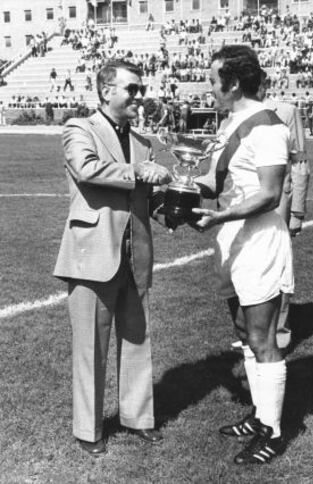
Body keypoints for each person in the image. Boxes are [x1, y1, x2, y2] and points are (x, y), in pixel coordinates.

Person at [54, 60, 173, 456]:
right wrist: (139, 171)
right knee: (91, 346)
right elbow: (87, 170)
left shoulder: (143, 141)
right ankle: (88, 430)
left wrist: (176, 209)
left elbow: (146, 194)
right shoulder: (78, 128)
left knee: (138, 338)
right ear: (107, 91)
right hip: (92, 254)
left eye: (141, 89)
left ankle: (138, 418)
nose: (139, 96)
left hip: (135, 254)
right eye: (132, 89)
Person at [192, 45, 294, 465]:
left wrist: (221, 217)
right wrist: (175, 189)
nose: (209, 87)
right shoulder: (231, 122)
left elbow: (270, 194)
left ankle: (273, 431)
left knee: (262, 338)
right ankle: (259, 414)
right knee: (242, 331)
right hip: (231, 238)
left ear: (233, 83)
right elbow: (219, 183)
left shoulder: (268, 127)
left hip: (259, 242)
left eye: (213, 81)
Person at [232, 69, 310, 351]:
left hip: (278, 203)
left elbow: (299, 162)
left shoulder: (286, 111)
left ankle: (279, 329)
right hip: (245, 204)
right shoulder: (236, 114)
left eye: (263, 84)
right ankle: (254, 325)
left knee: (277, 269)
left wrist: (298, 210)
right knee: (249, 264)